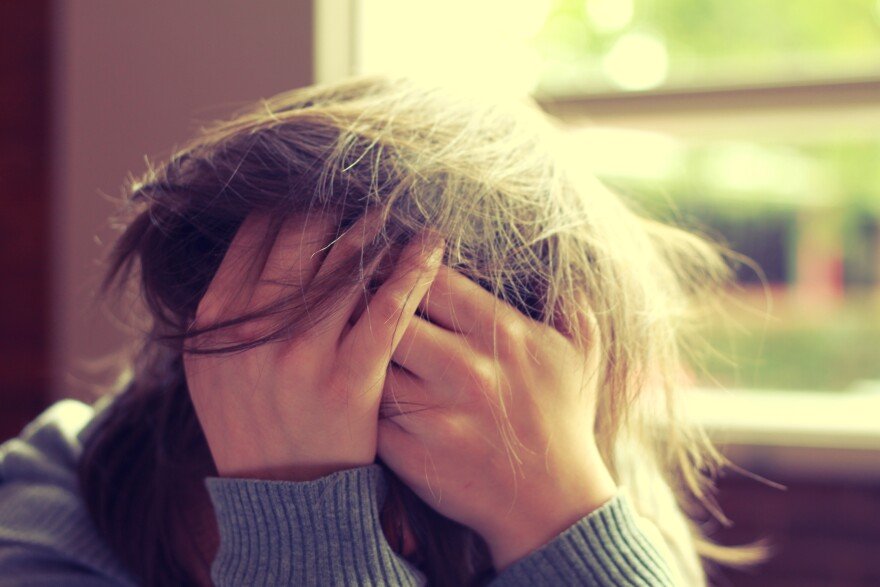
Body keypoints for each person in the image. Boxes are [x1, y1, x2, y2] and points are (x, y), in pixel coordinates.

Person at [0, 76, 745, 586]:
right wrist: (297, 516)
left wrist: (560, 519)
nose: (400, 553)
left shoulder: (601, 481)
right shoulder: (55, 507)